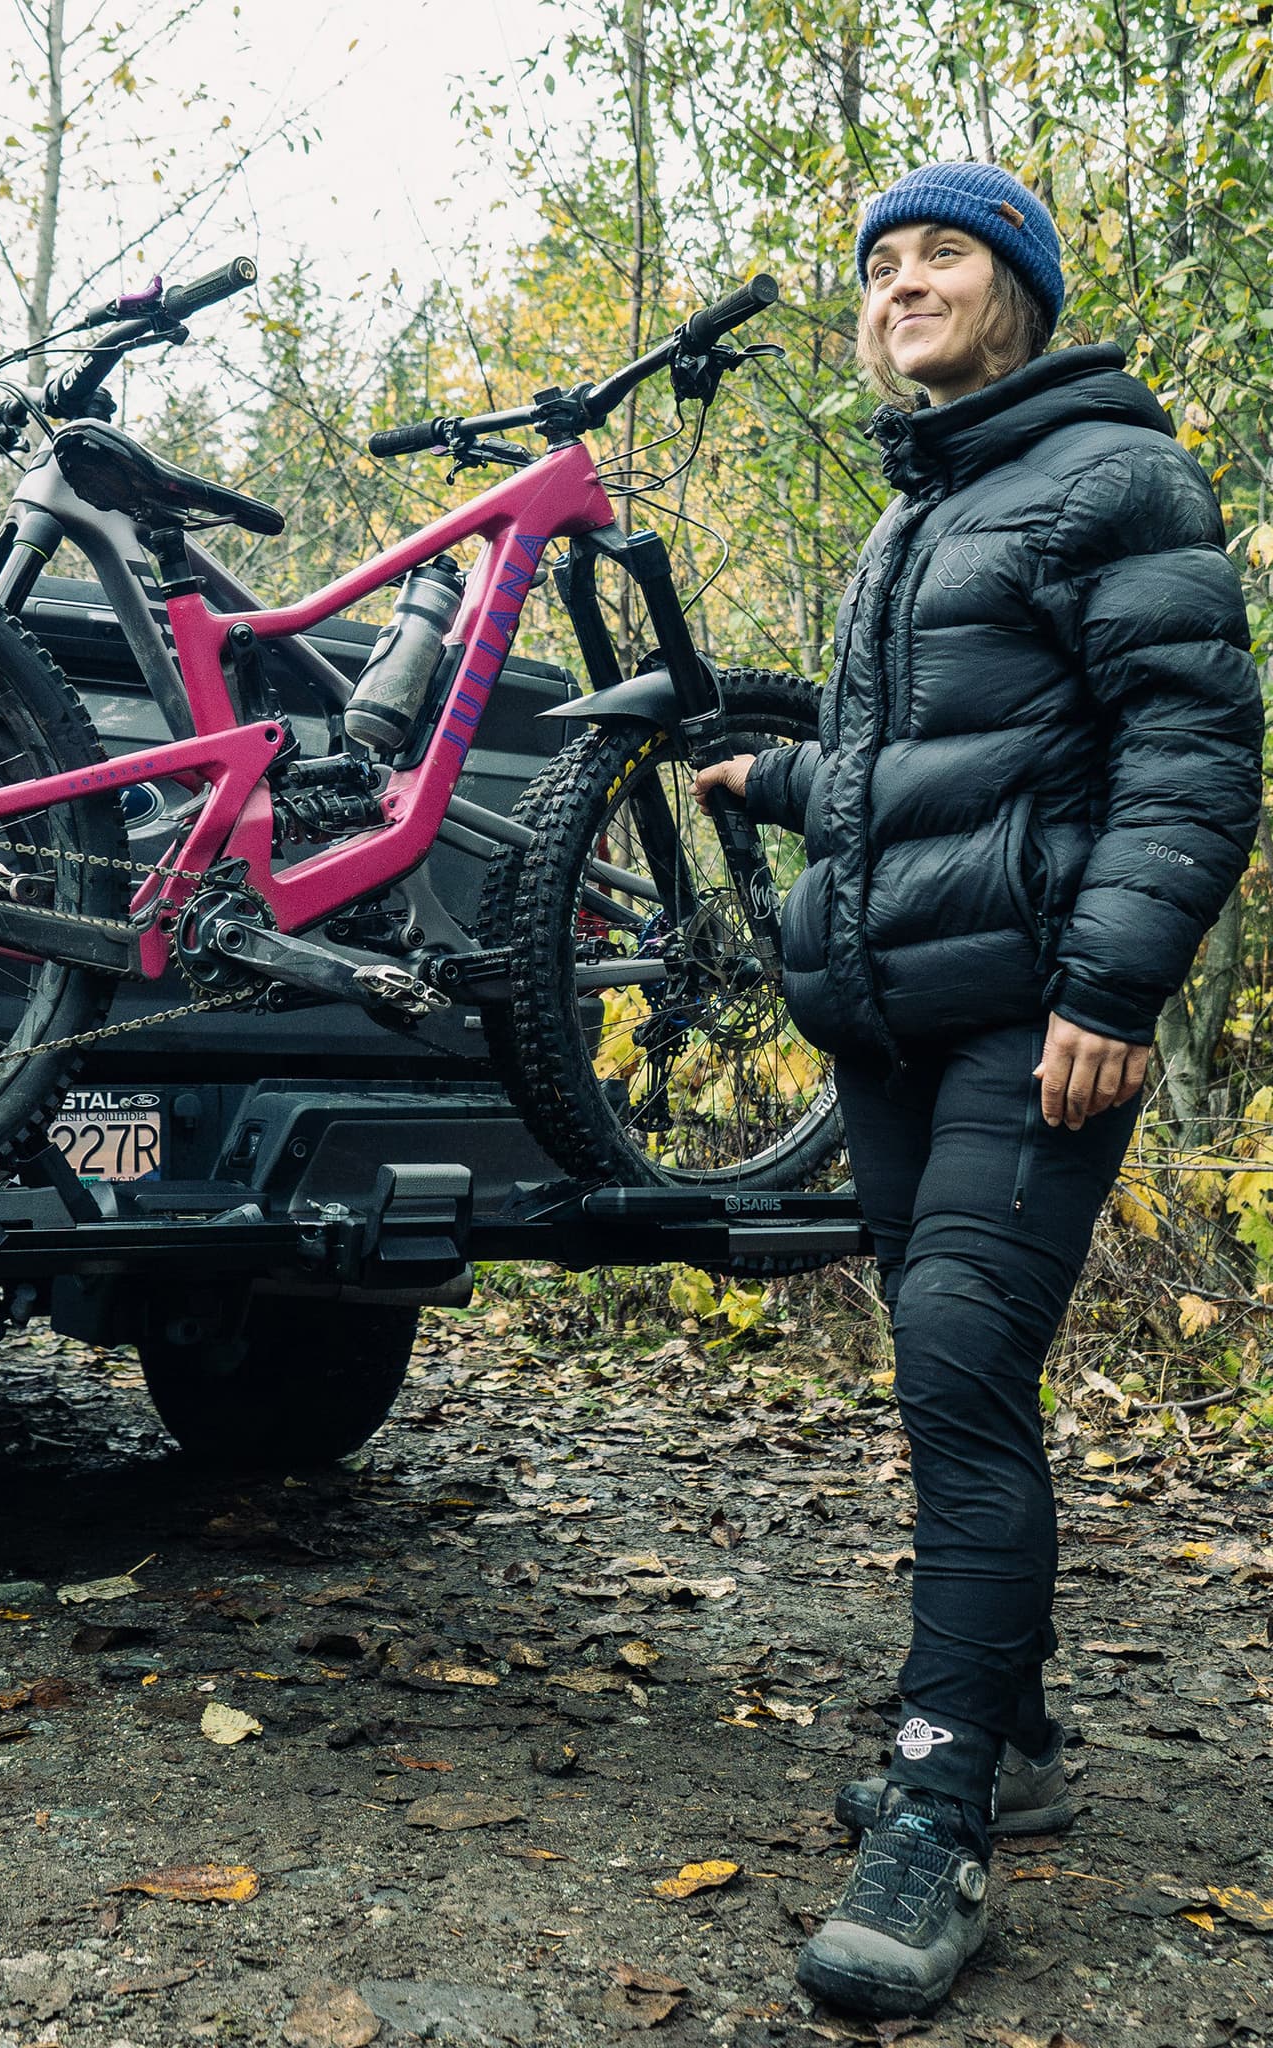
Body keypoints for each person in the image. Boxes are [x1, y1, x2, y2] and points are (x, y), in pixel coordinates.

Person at [693, 160, 1263, 2020]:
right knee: (957, 1365)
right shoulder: (917, 512)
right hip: (891, 1021)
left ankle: (938, 1816)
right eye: (876, 263)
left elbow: (1189, 744)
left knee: (949, 1360)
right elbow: (917, 766)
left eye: (941, 253)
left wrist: (1116, 983)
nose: (898, 283)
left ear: (1019, 292)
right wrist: (773, 789)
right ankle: (1015, 1742)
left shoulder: (1117, 477)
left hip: (1035, 1023)